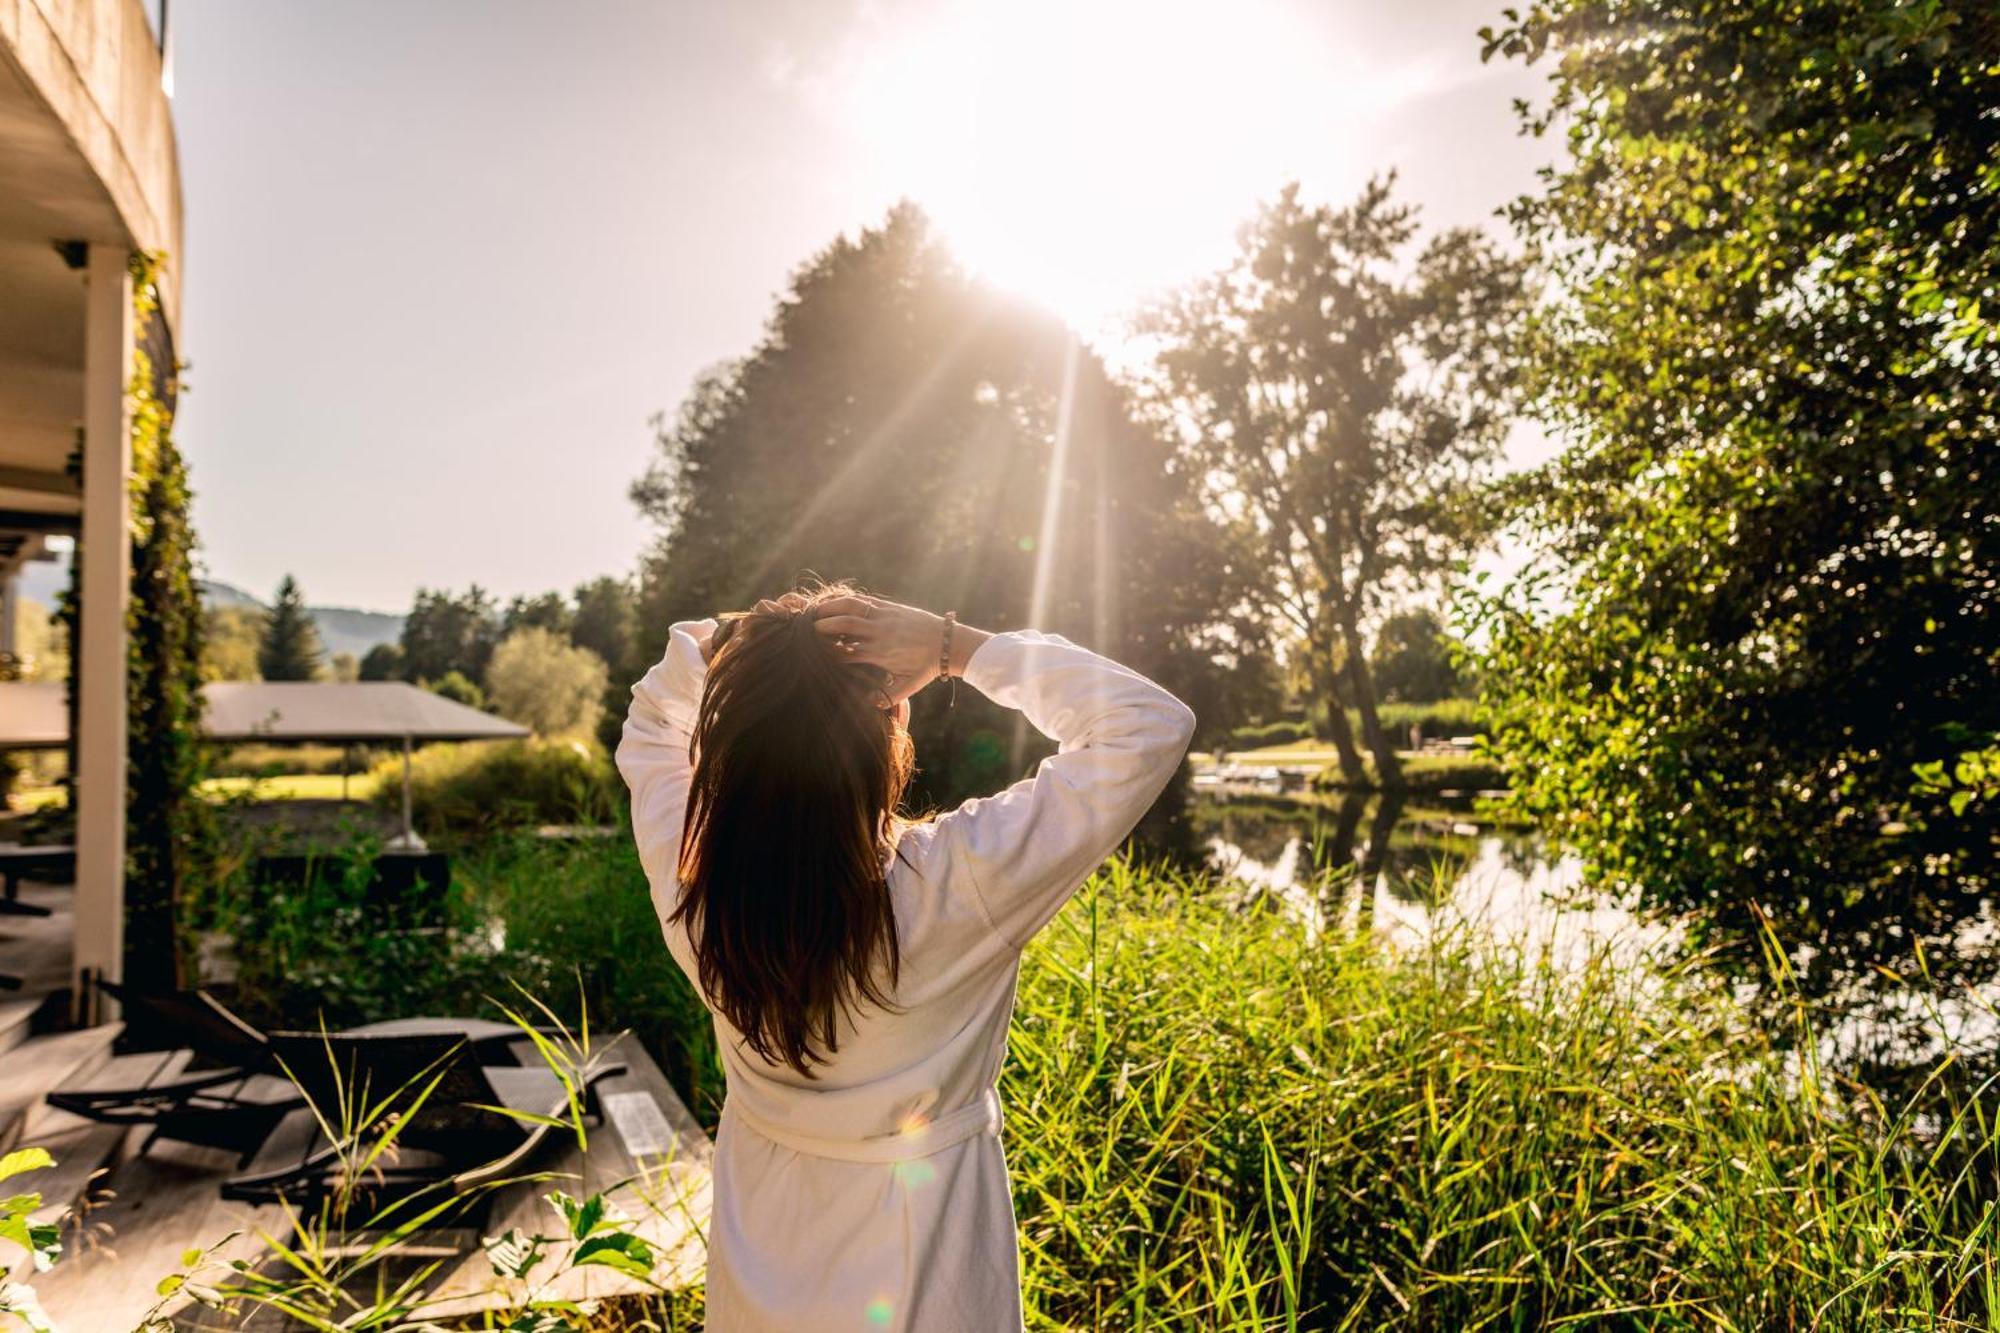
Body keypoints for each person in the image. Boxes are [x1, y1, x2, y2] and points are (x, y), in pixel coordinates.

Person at [616, 584, 1195, 1331]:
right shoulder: (957, 883)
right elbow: (1146, 725)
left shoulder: (694, 881)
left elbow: (652, 723)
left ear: (735, 742)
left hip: (760, 1277)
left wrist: (736, 637)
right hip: (929, 1279)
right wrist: (955, 647)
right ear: (891, 723)